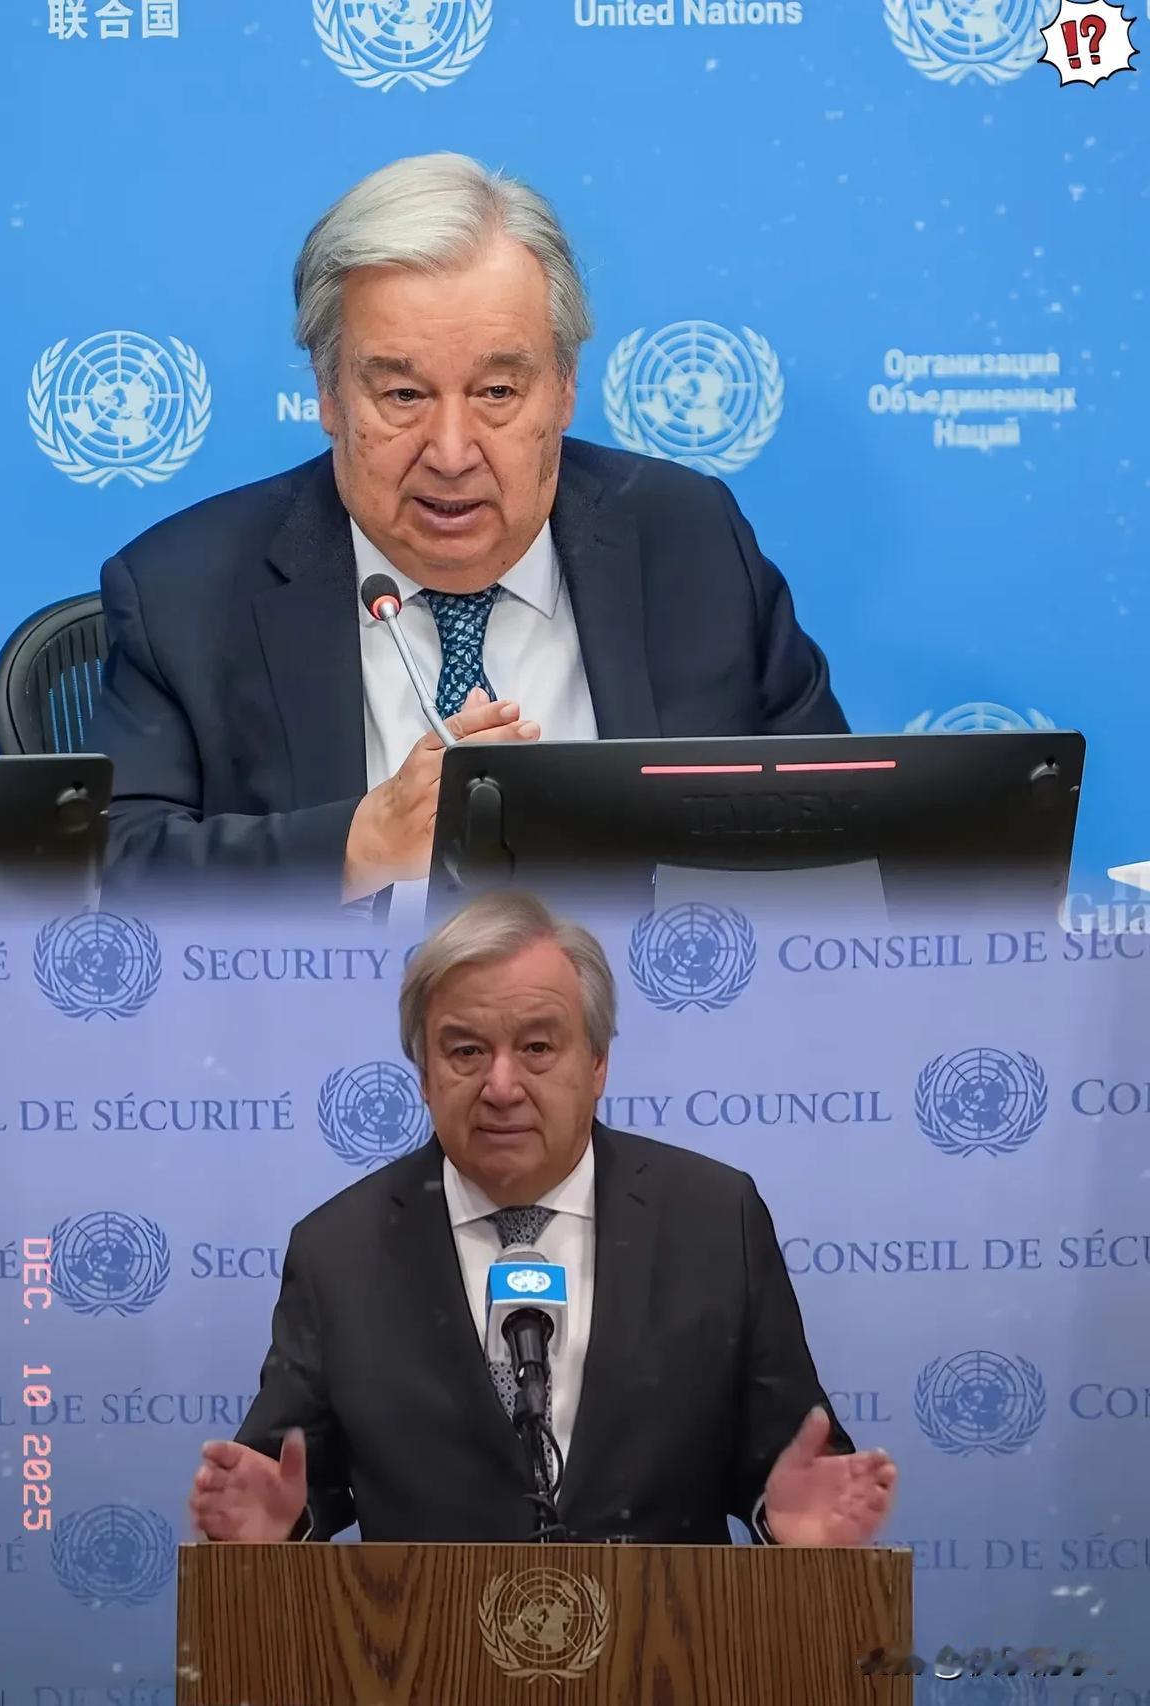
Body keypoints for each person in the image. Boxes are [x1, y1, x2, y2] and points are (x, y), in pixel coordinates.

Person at [88, 153, 847, 906]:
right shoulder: (185, 592)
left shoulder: (692, 544)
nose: (451, 454)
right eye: (403, 394)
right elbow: (113, 871)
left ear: (564, 389)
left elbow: (843, 830)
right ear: (329, 395)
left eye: (497, 392)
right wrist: (358, 845)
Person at [188, 890, 897, 1545]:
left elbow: (788, 1458)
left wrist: (787, 1517)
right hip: (426, 1636)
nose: (501, 1087)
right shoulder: (339, 1250)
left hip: (664, 1633)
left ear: (597, 1064)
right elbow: (293, 1478)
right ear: (425, 1076)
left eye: (536, 1048)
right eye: (466, 1051)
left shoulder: (712, 1219)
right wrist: (278, 1523)